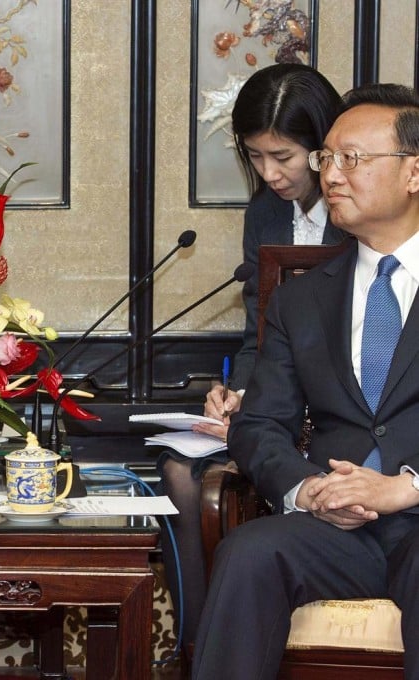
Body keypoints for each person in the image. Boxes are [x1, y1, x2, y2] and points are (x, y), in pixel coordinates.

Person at [192, 82, 419, 679]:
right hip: (337, 529)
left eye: (354, 159)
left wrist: (406, 487)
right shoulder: (301, 300)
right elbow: (262, 424)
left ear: (414, 173)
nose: (333, 175)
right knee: (249, 551)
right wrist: (307, 490)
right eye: (327, 158)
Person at [157, 63, 345, 651]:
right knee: (181, 474)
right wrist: (238, 390)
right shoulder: (264, 213)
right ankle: (195, 646)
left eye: (283, 156)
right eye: (256, 157)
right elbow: (259, 331)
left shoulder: (364, 210)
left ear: (324, 145)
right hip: (278, 396)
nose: (270, 173)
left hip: (338, 409)